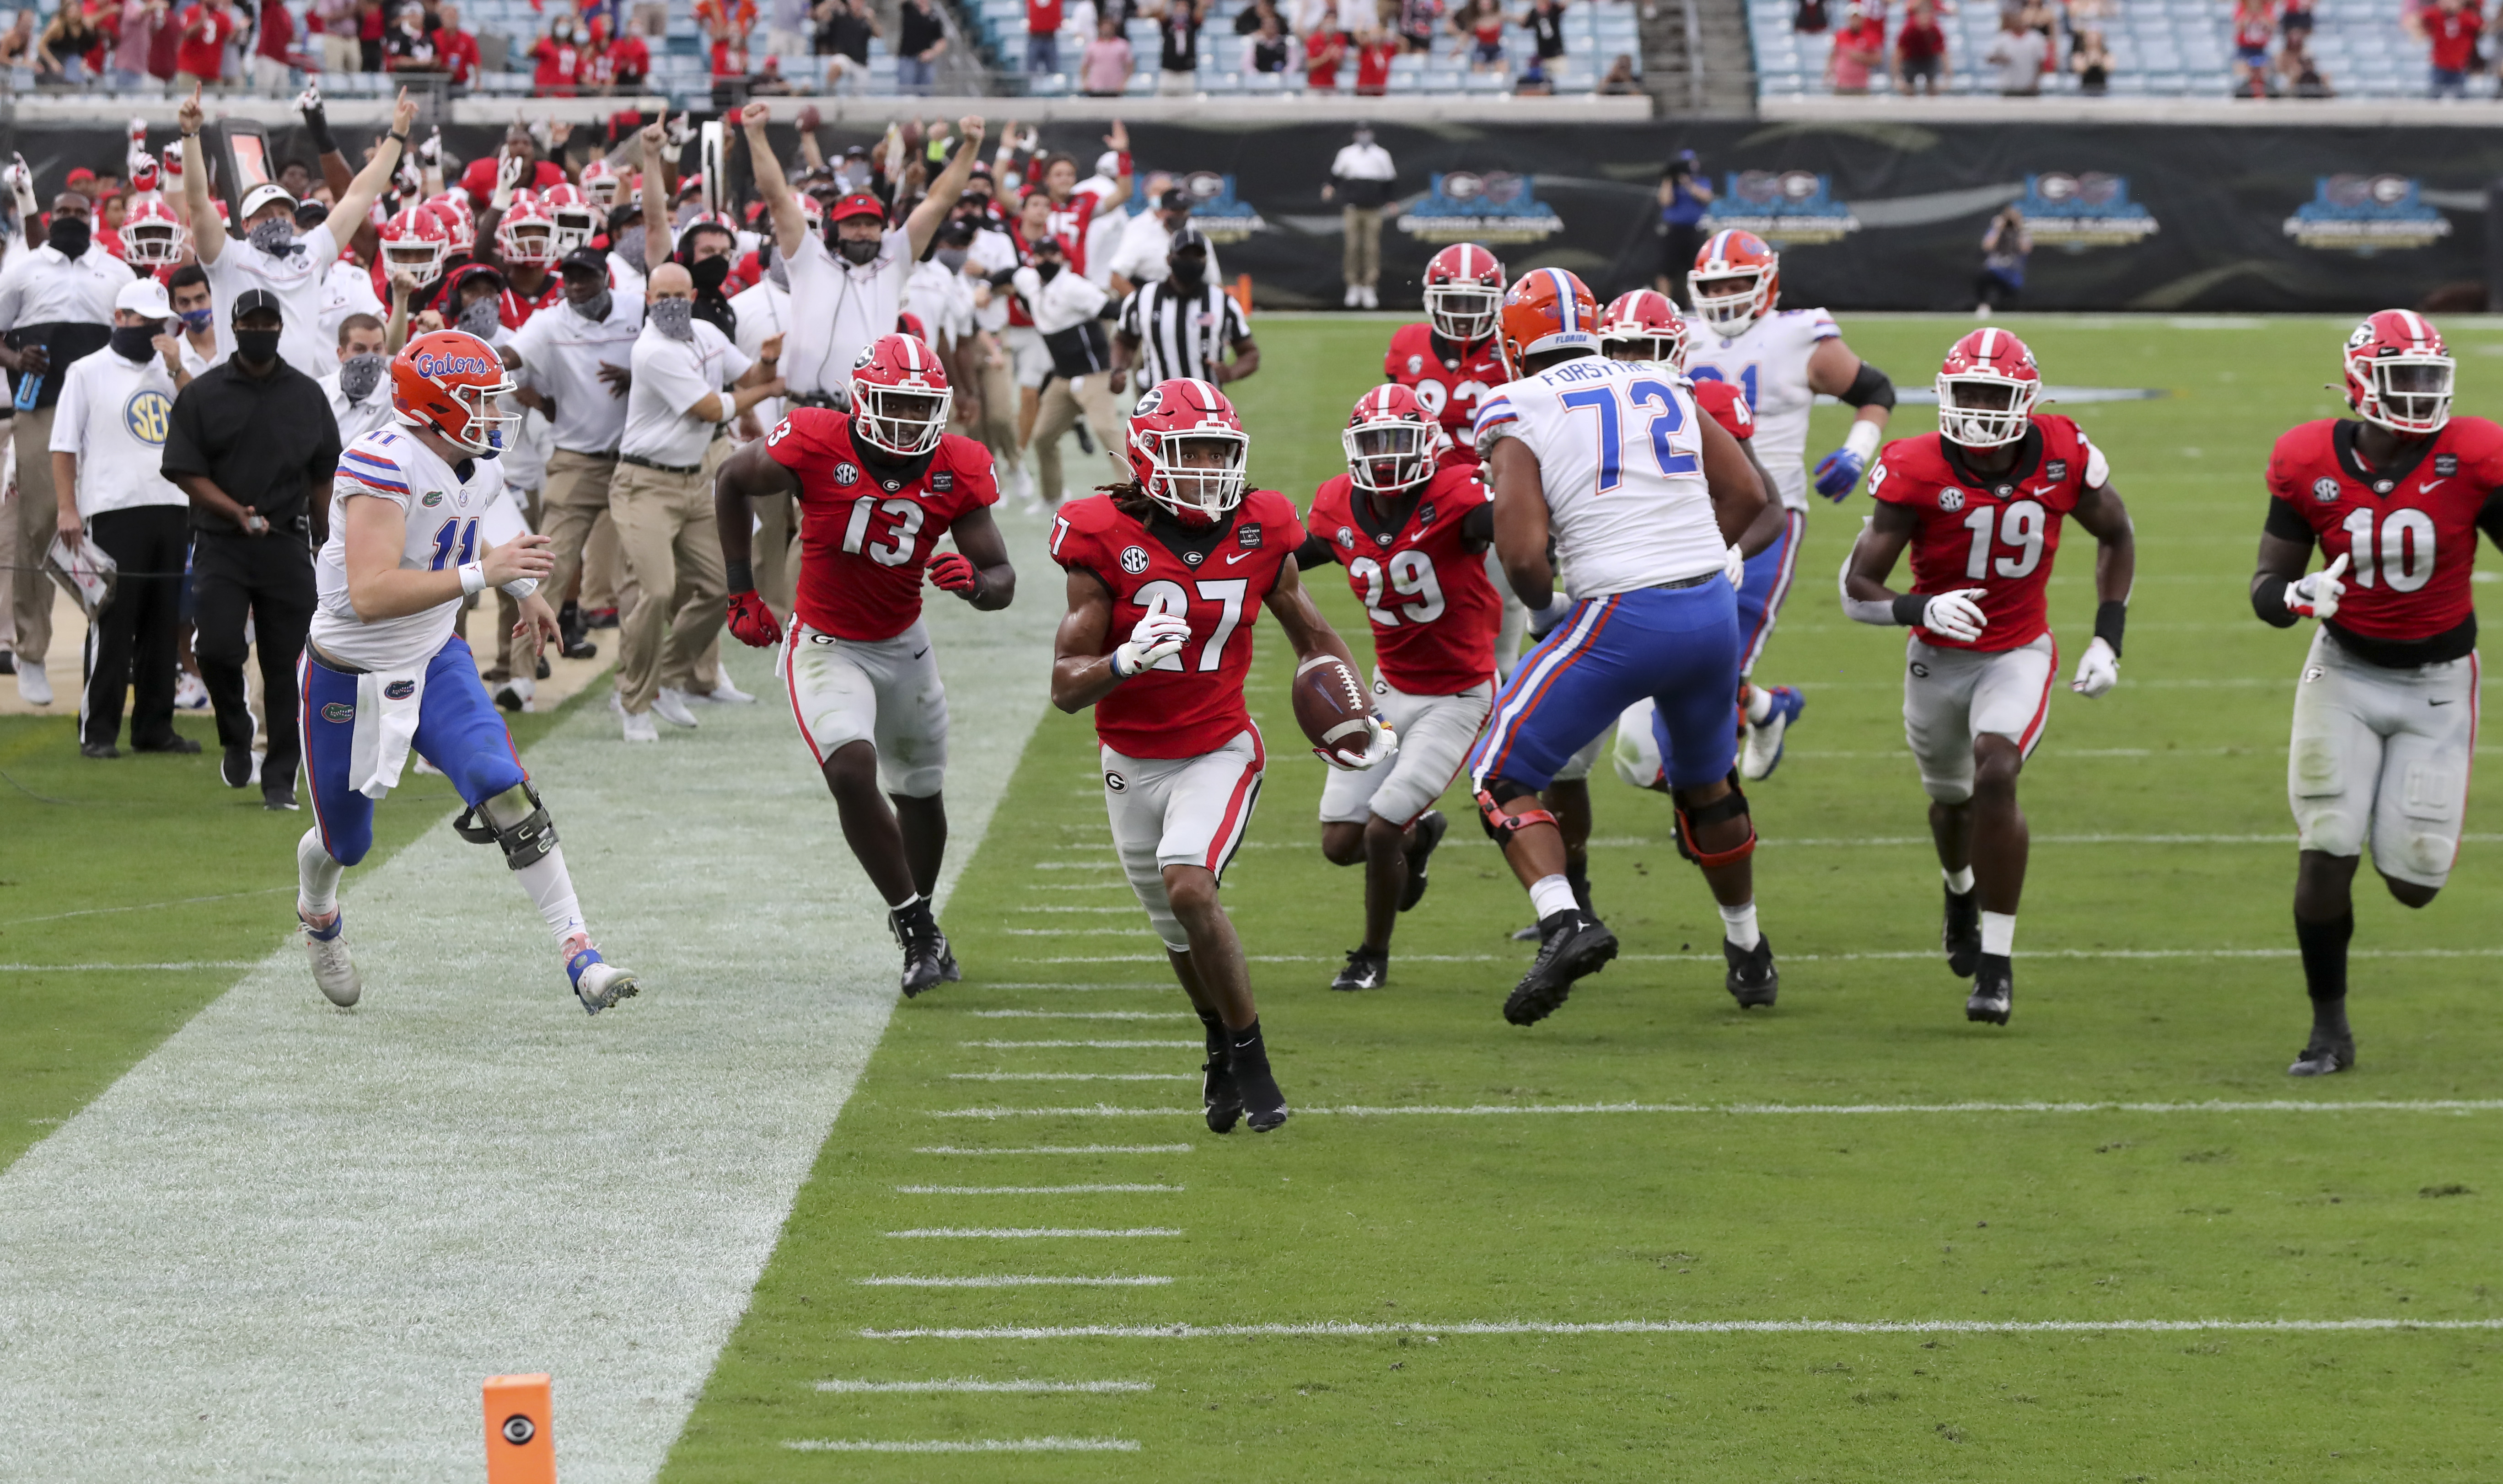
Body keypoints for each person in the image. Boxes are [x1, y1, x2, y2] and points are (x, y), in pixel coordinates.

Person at [1048, 377, 1387, 1133]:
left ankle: (1253, 1055)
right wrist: (1122, 663)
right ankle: (1217, 1041)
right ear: (1147, 457)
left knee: (1191, 890)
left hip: (1219, 748)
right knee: (1175, 933)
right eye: (1189, 451)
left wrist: (1359, 712)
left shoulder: (1262, 523)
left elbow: (1309, 630)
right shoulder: (1099, 533)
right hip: (1129, 761)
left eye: (1218, 452)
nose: (1207, 468)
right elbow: (1066, 688)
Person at [294, 329, 638, 1015]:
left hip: (430, 655)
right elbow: (369, 593)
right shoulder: (380, 463)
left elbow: (461, 524)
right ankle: (318, 910)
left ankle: (581, 952)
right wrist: (489, 575)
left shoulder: (471, 463)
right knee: (346, 842)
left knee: (502, 784)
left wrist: (522, 591)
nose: (492, 412)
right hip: (350, 671)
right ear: (435, 407)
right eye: (478, 400)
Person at [1466, 268, 1771, 1024]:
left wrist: (1546, 608)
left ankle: (1564, 919)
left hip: (1622, 618)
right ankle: (1748, 948)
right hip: (1709, 610)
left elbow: (1524, 558)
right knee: (1708, 786)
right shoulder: (1659, 382)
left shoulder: (1514, 404)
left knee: (1500, 775)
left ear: (1515, 343)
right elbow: (1748, 495)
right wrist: (1689, 555)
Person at [1840, 329, 2135, 1027]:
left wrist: (2107, 639)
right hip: (1936, 656)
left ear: (2025, 401)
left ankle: (1997, 966)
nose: (1977, 408)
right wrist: (1921, 607)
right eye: (1966, 393)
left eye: (1993, 394)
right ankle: (1958, 889)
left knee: (1996, 772)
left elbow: (2117, 533)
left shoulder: (2063, 452)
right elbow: (1857, 589)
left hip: (2018, 648)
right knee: (1951, 805)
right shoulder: (1913, 465)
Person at [712, 333, 1015, 994]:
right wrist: (741, 593)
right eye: (895, 405)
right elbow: (732, 478)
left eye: (918, 407)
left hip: (904, 644)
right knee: (852, 767)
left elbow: (1003, 579)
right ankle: (915, 928)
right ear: (862, 400)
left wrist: (976, 583)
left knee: (921, 791)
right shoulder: (818, 439)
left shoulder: (956, 464)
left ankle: (924, 926)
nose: (907, 421)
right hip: (825, 641)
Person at [2247, 311, 2502, 1077]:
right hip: (2345, 672)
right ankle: (2329, 1032)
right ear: (2361, 383)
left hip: (2436, 685)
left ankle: (2341, 1006)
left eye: (2432, 379)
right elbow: (2264, 588)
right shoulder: (2304, 459)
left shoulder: (2475, 453)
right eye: (2406, 379)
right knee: (2326, 845)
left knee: (2413, 880)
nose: (2423, 396)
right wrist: (2295, 594)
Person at [1296, 385, 1496, 991]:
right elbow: (1290, 559)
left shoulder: (1460, 495)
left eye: (1398, 442)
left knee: (1382, 828)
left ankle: (1371, 956)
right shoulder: (1335, 504)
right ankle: (1422, 834)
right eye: (1374, 444)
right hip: (1389, 689)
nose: (1385, 457)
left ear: (1428, 445)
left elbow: (1519, 523)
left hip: (1458, 695)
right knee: (1339, 843)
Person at [1682, 227, 1898, 780]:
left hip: (1767, 515)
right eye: (1716, 285)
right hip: (1682, 514)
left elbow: (1875, 390)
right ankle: (1767, 707)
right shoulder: (1677, 336)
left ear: (1766, 283)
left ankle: (1709, 798)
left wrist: (1856, 453)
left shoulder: (1798, 336)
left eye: (1739, 282)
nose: (1727, 296)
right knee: (1683, 650)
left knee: (1724, 657)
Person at [161, 287, 340, 809]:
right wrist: (235, 511)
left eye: (268, 323)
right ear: (234, 327)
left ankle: (280, 776)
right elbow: (184, 469)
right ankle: (237, 730)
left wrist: (330, 535)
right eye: (250, 323)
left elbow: (324, 471)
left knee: (289, 663)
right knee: (215, 647)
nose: (259, 331)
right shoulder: (205, 393)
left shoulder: (307, 395)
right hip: (222, 540)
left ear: (280, 328)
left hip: (286, 541)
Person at [610, 259, 781, 742]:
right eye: (660, 297)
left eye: (678, 296)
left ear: (693, 298)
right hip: (643, 484)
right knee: (659, 590)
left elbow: (746, 375)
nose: (670, 305)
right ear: (648, 300)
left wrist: (766, 363)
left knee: (724, 586)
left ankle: (664, 675)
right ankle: (634, 699)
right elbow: (711, 408)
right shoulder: (650, 351)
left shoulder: (707, 332)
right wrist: (770, 387)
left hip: (694, 481)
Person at [748, 103, 983, 418]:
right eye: (853, 224)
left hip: (872, 413)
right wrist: (756, 135)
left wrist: (970, 146)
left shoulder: (895, 258)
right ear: (834, 229)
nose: (863, 232)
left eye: (871, 224)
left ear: (882, 228)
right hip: (807, 409)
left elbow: (940, 201)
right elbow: (777, 198)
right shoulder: (809, 257)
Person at [179, 86, 414, 381]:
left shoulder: (314, 250)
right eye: (264, 215)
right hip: (238, 390)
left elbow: (359, 194)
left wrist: (397, 135)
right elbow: (198, 202)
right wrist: (190, 136)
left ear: (293, 218)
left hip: (297, 395)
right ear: (246, 224)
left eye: (281, 213)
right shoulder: (228, 258)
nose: (274, 220)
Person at [53, 276, 195, 759]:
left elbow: (202, 417)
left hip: (172, 504)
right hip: (112, 506)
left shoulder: (174, 367)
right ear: (119, 318)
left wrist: (177, 368)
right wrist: (67, 507)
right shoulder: (86, 371)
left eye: (158, 324)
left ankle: (154, 727)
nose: (151, 332)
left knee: (162, 622)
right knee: (112, 622)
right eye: (141, 321)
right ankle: (98, 729)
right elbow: (64, 445)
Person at [0, 184, 127, 708]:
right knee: (37, 526)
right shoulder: (23, 269)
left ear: (93, 218)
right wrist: (14, 360)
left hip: (104, 412)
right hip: (41, 408)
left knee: (115, 522)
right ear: (50, 218)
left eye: (80, 212)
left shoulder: (116, 271)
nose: (72, 218)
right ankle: (32, 651)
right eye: (64, 213)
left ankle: (118, 646)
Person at [505, 243, 641, 665]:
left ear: (606, 279)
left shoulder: (638, 310)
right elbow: (513, 355)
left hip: (635, 462)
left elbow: (674, 356)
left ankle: (653, 678)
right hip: (575, 460)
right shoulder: (549, 320)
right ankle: (522, 677)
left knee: (648, 574)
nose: (577, 286)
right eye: (570, 278)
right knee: (546, 568)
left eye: (586, 277)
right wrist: (471, 363)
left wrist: (638, 376)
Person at [1113, 228, 1254, 395]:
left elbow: (1250, 352)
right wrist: (1118, 370)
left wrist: (1232, 372)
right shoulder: (1142, 299)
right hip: (1158, 403)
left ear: (1206, 260)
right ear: (1168, 259)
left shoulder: (1223, 303)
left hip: (1207, 403)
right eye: (1184, 255)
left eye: (1197, 256)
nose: (1191, 261)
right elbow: (1124, 340)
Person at [1324, 124, 1394, 310]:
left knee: (1371, 248)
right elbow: (1336, 176)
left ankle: (1369, 286)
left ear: (1372, 134)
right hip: (1352, 208)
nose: (1364, 136)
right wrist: (1330, 188)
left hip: (1373, 209)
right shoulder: (1347, 154)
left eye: (1367, 133)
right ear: (1355, 135)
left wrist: (1391, 201)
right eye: (1361, 133)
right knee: (1352, 247)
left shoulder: (1382, 155)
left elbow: (1389, 181)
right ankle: (1353, 286)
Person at [318, 310, 393, 444]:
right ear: (341, 353)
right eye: (360, 349)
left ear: (386, 351)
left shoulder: (397, 399)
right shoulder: (318, 393)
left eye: (377, 349)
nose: (370, 358)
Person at [1654, 150, 1713, 302]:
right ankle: (1664, 304)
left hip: (1694, 230)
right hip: (1673, 230)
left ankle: (1695, 304)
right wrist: (1669, 177)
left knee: (1695, 270)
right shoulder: (1671, 183)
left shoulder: (1701, 181)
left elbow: (1706, 197)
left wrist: (1687, 182)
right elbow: (1665, 201)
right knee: (1665, 270)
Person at [1974, 206, 2030, 319]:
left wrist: (2020, 229)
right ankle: (1983, 306)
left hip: (2012, 273)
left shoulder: (2021, 233)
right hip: (1996, 270)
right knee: (1982, 278)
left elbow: (2026, 249)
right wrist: (1997, 229)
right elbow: (1987, 246)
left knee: (2009, 302)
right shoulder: (1997, 231)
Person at [170, 0, 236, 89]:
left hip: (212, 74)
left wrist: (239, 29)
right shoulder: (191, 11)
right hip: (190, 72)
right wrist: (201, 22)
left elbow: (231, 38)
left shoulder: (222, 16)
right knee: (191, 101)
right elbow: (187, 34)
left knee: (215, 102)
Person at [1984, 5, 2049, 95]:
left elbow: (2040, 62)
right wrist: (2002, 59)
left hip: (2029, 88)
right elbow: (1989, 58)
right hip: (2008, 87)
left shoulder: (2035, 38)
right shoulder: (2003, 38)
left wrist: (2036, 82)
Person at [1825, 2, 1884, 92]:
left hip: (1861, 85)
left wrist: (1860, 57)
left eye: (1858, 18)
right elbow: (1832, 55)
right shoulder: (1840, 35)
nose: (1855, 21)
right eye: (1853, 18)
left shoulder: (1870, 37)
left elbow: (1878, 59)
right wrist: (1828, 73)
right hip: (1841, 85)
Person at [1150, 0, 1205, 91]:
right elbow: (1160, 14)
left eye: (1184, 7)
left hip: (1187, 71)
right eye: (1178, 7)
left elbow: (1199, 15)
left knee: (1188, 103)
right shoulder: (1169, 24)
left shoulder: (1191, 24)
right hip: (1168, 71)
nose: (1181, 9)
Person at [1895, 0, 1947, 93]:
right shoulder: (1909, 29)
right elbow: (1898, 53)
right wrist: (1897, 77)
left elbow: (1943, 53)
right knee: (1908, 89)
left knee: (1932, 88)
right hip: (1911, 59)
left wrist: (1948, 76)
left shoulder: (1935, 29)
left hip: (1929, 58)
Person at [896, 0, 946, 91]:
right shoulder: (909, 8)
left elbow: (941, 41)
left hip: (925, 62)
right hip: (907, 59)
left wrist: (932, 53)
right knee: (906, 95)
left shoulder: (935, 17)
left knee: (925, 95)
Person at [1080, 12, 1131, 93]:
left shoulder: (1122, 45)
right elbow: (1085, 66)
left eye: (1109, 26)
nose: (1107, 29)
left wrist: (1124, 83)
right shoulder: (1092, 46)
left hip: (1116, 87)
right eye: (1104, 27)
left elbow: (1130, 65)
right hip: (1096, 87)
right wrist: (1085, 81)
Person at [2070, 26, 2110, 93]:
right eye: (2090, 37)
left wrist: (2099, 61)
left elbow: (2109, 67)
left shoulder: (2106, 53)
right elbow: (2078, 68)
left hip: (2102, 87)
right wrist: (2089, 61)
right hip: (2084, 88)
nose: (2092, 40)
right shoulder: (2080, 54)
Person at [1024, 0, 1061, 72]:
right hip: (1034, 37)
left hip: (1050, 38)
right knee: (1031, 69)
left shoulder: (1056, 2)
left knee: (1053, 69)